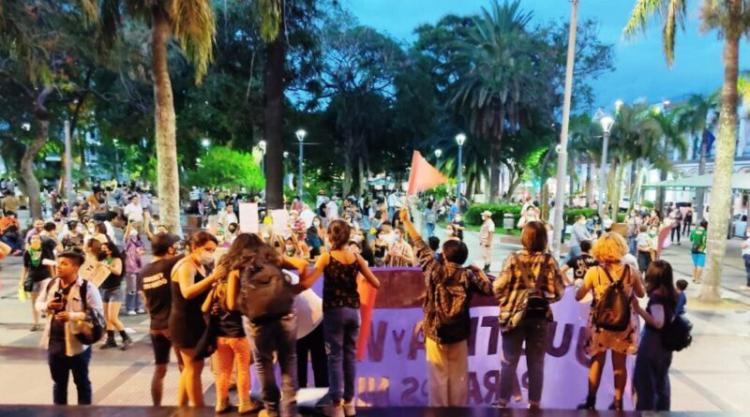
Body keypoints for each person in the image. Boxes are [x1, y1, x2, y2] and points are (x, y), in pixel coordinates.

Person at [400, 207, 493, 407]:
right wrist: (480, 272)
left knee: (437, 376)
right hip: (459, 333)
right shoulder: (468, 275)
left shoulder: (434, 270)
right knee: (459, 377)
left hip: (435, 331)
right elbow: (489, 290)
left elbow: (420, 245)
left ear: (444, 254)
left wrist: (406, 221)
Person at [300, 220, 380, 417]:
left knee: (334, 358)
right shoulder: (356, 257)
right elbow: (376, 283)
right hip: (354, 312)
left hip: (334, 313)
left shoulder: (326, 257)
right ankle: (349, 403)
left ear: (330, 236)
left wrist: (299, 274)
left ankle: (336, 404)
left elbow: (307, 283)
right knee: (350, 357)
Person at [236, 234, 310, 417]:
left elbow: (231, 303)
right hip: (284, 315)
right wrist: (292, 291)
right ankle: (290, 411)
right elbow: (302, 264)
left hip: (256, 320)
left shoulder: (238, 264)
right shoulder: (272, 258)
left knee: (263, 363)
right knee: (289, 361)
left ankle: (271, 410)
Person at [494, 221, 565, 409]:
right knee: (536, 363)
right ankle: (534, 403)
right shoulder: (549, 261)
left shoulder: (512, 259)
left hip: (513, 319)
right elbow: (558, 292)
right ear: (544, 239)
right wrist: (542, 295)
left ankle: (502, 401)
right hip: (539, 317)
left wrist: (510, 300)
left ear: (524, 237)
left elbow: (498, 287)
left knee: (509, 361)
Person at [576, 233, 646, 411]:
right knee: (620, 364)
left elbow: (579, 296)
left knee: (597, 360)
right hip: (624, 324)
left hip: (600, 325)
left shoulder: (594, 272)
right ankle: (618, 402)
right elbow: (641, 294)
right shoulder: (631, 271)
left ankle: (591, 401)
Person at [36, 251, 104, 405]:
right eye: (58, 263)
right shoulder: (50, 284)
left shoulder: (87, 288)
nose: (59, 267)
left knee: (82, 383)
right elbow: (38, 304)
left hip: (78, 345)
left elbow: (97, 313)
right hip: (54, 343)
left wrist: (72, 316)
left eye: (64, 264)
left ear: (75, 267)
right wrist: (48, 305)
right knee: (59, 384)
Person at [169, 231, 226, 407]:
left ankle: (183, 407)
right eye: (208, 249)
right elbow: (187, 292)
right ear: (194, 247)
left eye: (213, 250)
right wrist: (212, 278)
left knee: (191, 368)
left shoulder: (197, 264)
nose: (210, 253)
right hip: (184, 322)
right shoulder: (186, 266)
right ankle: (197, 409)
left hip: (195, 321)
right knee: (193, 368)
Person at [210, 234, 256, 414]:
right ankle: (244, 403)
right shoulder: (242, 270)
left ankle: (221, 402)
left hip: (220, 330)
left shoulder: (220, 273)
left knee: (223, 370)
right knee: (243, 369)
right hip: (239, 330)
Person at [139, 232, 184, 406]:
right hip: (173, 324)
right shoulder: (170, 264)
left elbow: (145, 302)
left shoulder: (143, 272)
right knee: (186, 368)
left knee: (160, 369)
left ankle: (156, 408)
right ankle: (186, 406)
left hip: (155, 326)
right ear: (170, 248)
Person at [632, 260, 678, 411]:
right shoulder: (672, 294)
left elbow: (658, 322)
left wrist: (638, 309)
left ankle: (646, 412)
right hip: (665, 346)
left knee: (646, 384)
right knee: (661, 381)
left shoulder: (657, 296)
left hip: (653, 344)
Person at [98, 241, 132, 350]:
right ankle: (110, 339)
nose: (104, 250)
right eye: (102, 248)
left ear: (111, 249)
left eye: (106, 248)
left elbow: (117, 271)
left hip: (115, 290)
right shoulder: (103, 259)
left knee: (113, 317)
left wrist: (107, 265)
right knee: (107, 317)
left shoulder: (117, 259)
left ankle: (125, 337)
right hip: (104, 289)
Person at [19, 234, 56, 331]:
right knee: (34, 302)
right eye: (33, 238)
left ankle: (49, 322)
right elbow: (25, 267)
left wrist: (54, 278)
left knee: (47, 300)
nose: (35, 240)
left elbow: (50, 266)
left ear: (40, 241)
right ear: (30, 241)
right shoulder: (28, 252)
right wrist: (22, 280)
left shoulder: (45, 251)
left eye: (37, 238)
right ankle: (35, 323)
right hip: (33, 278)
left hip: (45, 277)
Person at [123, 222, 146, 315]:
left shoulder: (139, 242)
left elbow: (143, 251)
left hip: (139, 267)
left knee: (139, 288)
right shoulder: (128, 242)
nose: (133, 231)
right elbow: (126, 237)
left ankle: (138, 306)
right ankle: (130, 307)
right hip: (130, 268)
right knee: (131, 289)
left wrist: (140, 252)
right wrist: (128, 226)